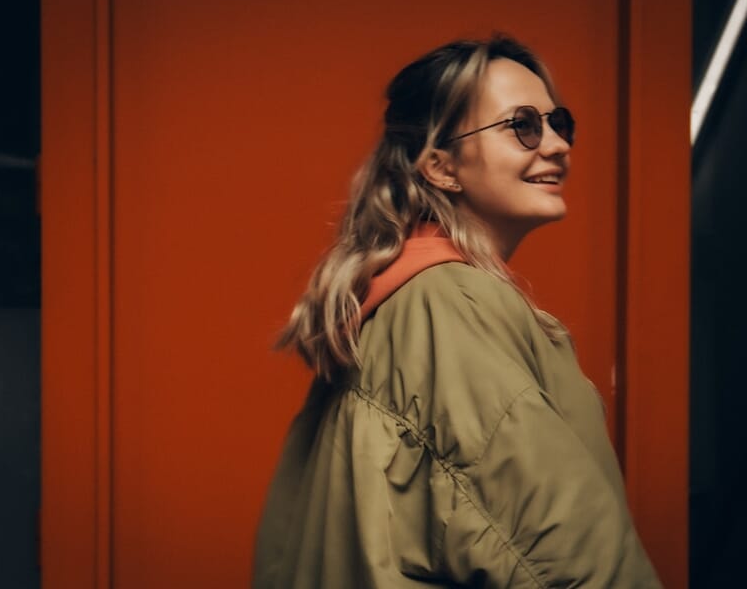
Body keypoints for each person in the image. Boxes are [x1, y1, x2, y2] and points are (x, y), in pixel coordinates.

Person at [254, 35, 662, 588]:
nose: (558, 144)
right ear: (442, 167)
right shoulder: (448, 304)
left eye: (557, 121)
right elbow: (561, 556)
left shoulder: (409, 301)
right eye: (522, 125)